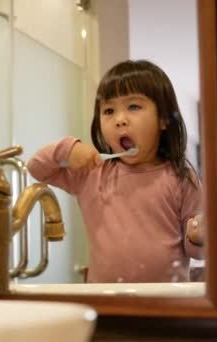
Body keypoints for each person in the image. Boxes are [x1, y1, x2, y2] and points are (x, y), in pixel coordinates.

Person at [27, 59, 205, 283]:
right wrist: (67, 149)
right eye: (109, 110)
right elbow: (36, 168)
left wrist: (197, 236)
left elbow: (197, 252)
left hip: (167, 302)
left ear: (163, 119)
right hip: (107, 301)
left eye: (133, 107)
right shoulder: (92, 174)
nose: (120, 120)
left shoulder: (181, 178)